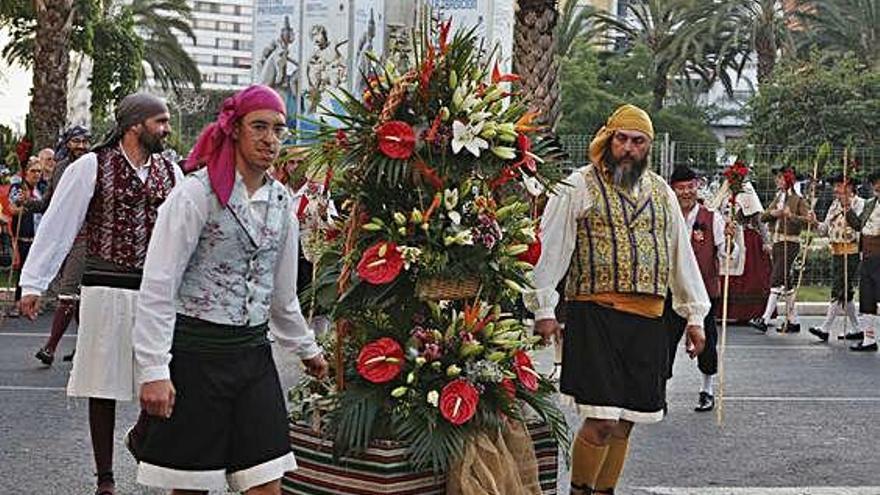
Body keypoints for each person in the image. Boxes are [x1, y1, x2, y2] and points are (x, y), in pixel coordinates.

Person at [131, 85, 328, 494]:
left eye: (278, 129)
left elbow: (281, 294)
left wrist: (307, 349)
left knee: (266, 484)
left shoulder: (282, 203)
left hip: (253, 358)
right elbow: (159, 286)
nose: (270, 139)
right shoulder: (194, 194)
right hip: (196, 356)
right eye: (259, 126)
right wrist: (153, 370)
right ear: (234, 129)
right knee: (191, 486)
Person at [524, 104, 708, 495]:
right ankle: (579, 491)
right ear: (608, 139)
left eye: (637, 141)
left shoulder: (663, 193)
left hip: (650, 322)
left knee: (627, 420)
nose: (628, 148)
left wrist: (694, 316)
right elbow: (551, 247)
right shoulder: (578, 186)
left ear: (648, 147)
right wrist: (543, 307)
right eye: (622, 139)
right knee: (601, 421)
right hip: (596, 318)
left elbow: (681, 257)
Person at [18, 93, 181, 495]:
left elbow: (183, 231)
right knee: (102, 383)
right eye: (160, 121)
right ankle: (105, 477)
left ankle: (141, 435)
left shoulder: (170, 170)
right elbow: (58, 224)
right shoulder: (91, 165)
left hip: (156, 294)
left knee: (169, 377)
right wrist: (34, 283)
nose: (166, 129)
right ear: (134, 125)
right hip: (106, 287)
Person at [666, 166, 736, 413]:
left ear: (697, 187)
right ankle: (659, 392)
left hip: (704, 290)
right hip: (670, 290)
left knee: (706, 341)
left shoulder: (711, 218)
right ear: (673, 189)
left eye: (690, 187)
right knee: (664, 341)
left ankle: (706, 390)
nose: (686, 192)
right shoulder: (666, 216)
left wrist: (731, 240)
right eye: (680, 188)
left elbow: (727, 255)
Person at [34, 126, 93, 365]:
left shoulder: (95, 167)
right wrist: (27, 204)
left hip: (84, 237)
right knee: (76, 297)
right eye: (76, 141)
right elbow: (50, 203)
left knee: (67, 291)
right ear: (67, 143)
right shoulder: (60, 169)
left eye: (85, 141)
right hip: (61, 238)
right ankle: (84, 348)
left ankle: (50, 347)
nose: (81, 146)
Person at [750, 166, 811, 334]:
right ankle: (793, 321)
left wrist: (791, 216)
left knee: (776, 279)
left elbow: (807, 221)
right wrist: (776, 213)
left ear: (788, 180)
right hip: (777, 243)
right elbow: (763, 216)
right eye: (777, 178)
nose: (777, 181)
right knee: (787, 282)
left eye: (780, 178)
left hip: (789, 243)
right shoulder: (778, 197)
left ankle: (765, 319)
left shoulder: (798, 199)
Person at [708, 165, 772, 322]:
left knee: (747, 276)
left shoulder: (748, 193)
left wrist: (766, 241)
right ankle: (721, 311)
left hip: (743, 236)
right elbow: (713, 211)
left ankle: (744, 312)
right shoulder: (724, 193)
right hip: (723, 234)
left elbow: (758, 219)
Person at [808, 173, 864, 342]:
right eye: (836, 186)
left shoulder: (859, 203)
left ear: (849, 187)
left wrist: (848, 208)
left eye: (839, 186)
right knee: (845, 293)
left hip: (852, 251)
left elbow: (860, 226)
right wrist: (815, 222)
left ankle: (825, 328)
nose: (835, 189)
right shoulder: (833, 205)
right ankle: (856, 329)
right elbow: (824, 230)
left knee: (838, 289)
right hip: (836, 251)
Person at [851, 171, 880, 352]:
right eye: (874, 183)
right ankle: (869, 339)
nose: (877, 186)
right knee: (867, 297)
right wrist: (847, 210)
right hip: (868, 256)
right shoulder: (869, 205)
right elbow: (858, 225)